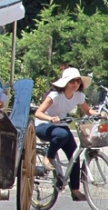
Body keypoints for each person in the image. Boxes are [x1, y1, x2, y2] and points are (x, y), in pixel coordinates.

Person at [33, 67, 101, 201]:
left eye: (77, 81)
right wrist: (50, 119)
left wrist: (99, 114)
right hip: (43, 125)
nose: (75, 84)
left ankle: (75, 191)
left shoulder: (79, 96)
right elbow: (38, 113)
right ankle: (49, 157)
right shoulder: (55, 96)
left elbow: (87, 111)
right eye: (72, 81)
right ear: (65, 82)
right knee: (62, 135)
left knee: (74, 155)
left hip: (61, 126)